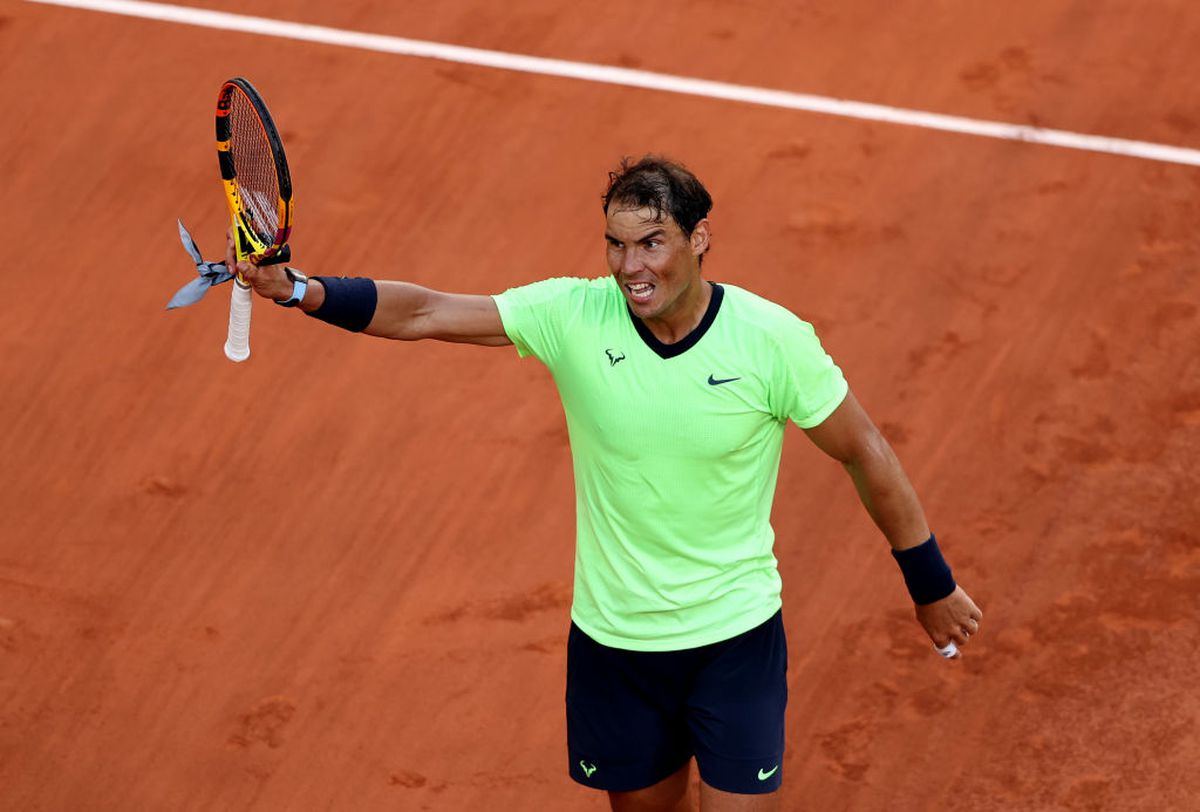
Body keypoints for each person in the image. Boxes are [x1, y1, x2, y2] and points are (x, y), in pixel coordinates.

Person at [228, 155, 982, 812]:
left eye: (652, 243)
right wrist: (301, 290)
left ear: (699, 239)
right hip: (616, 644)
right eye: (616, 245)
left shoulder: (771, 340)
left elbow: (865, 450)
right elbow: (427, 312)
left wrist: (931, 583)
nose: (629, 267)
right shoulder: (575, 314)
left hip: (734, 638)